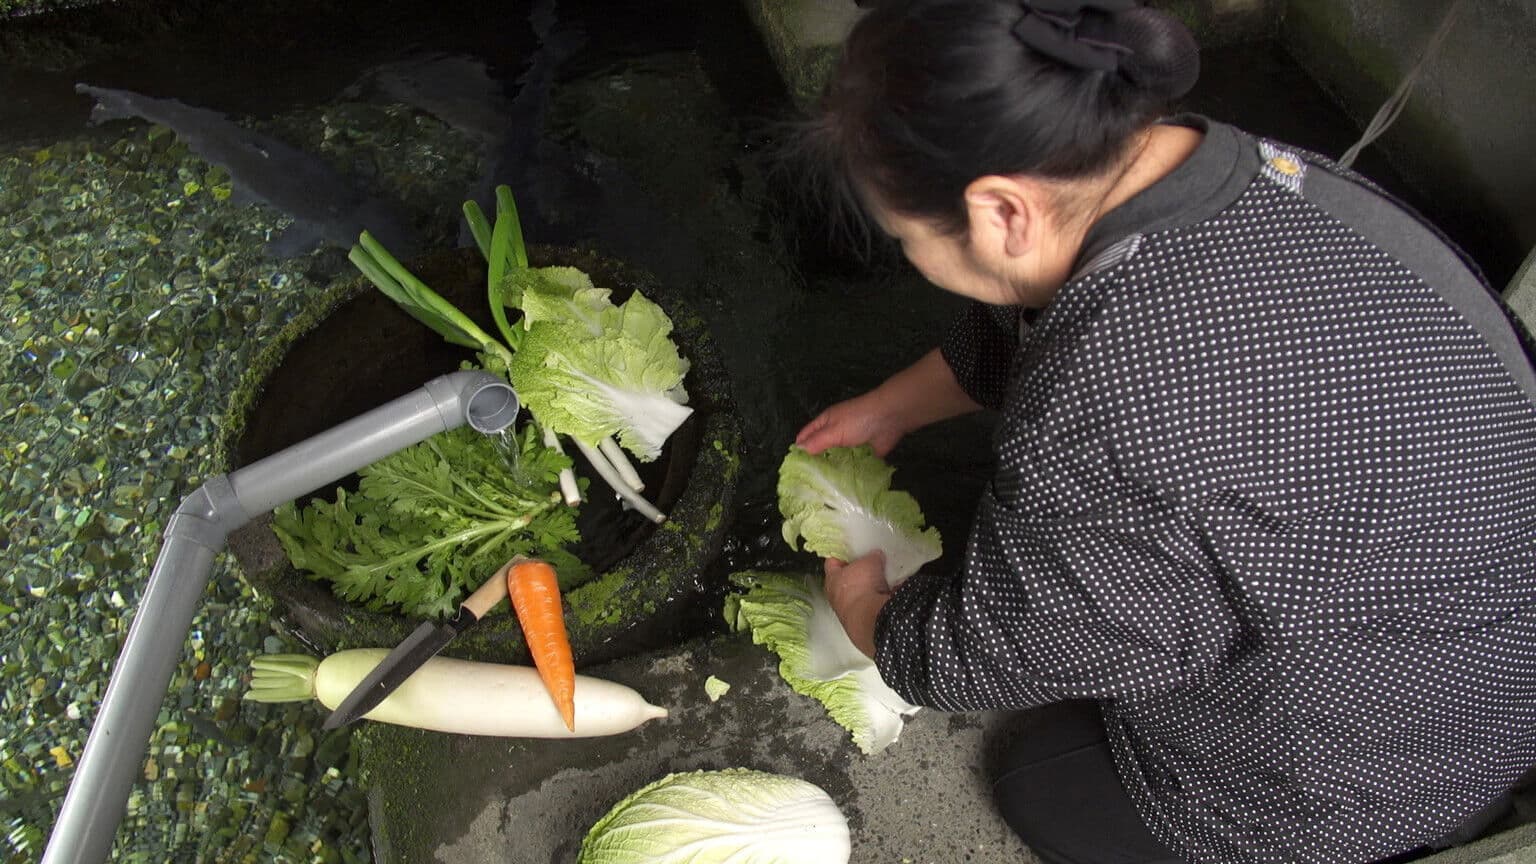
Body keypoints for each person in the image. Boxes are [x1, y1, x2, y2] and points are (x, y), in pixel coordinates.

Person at [789, 1, 1536, 862]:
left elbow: (996, 654)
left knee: (1038, 776)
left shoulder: (1113, 398)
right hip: (1495, 634)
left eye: (905, 237)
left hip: (1383, 765)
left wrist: (874, 621)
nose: (912, 256)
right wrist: (896, 404)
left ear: (1001, 211)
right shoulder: (1228, 166)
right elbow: (1036, 308)